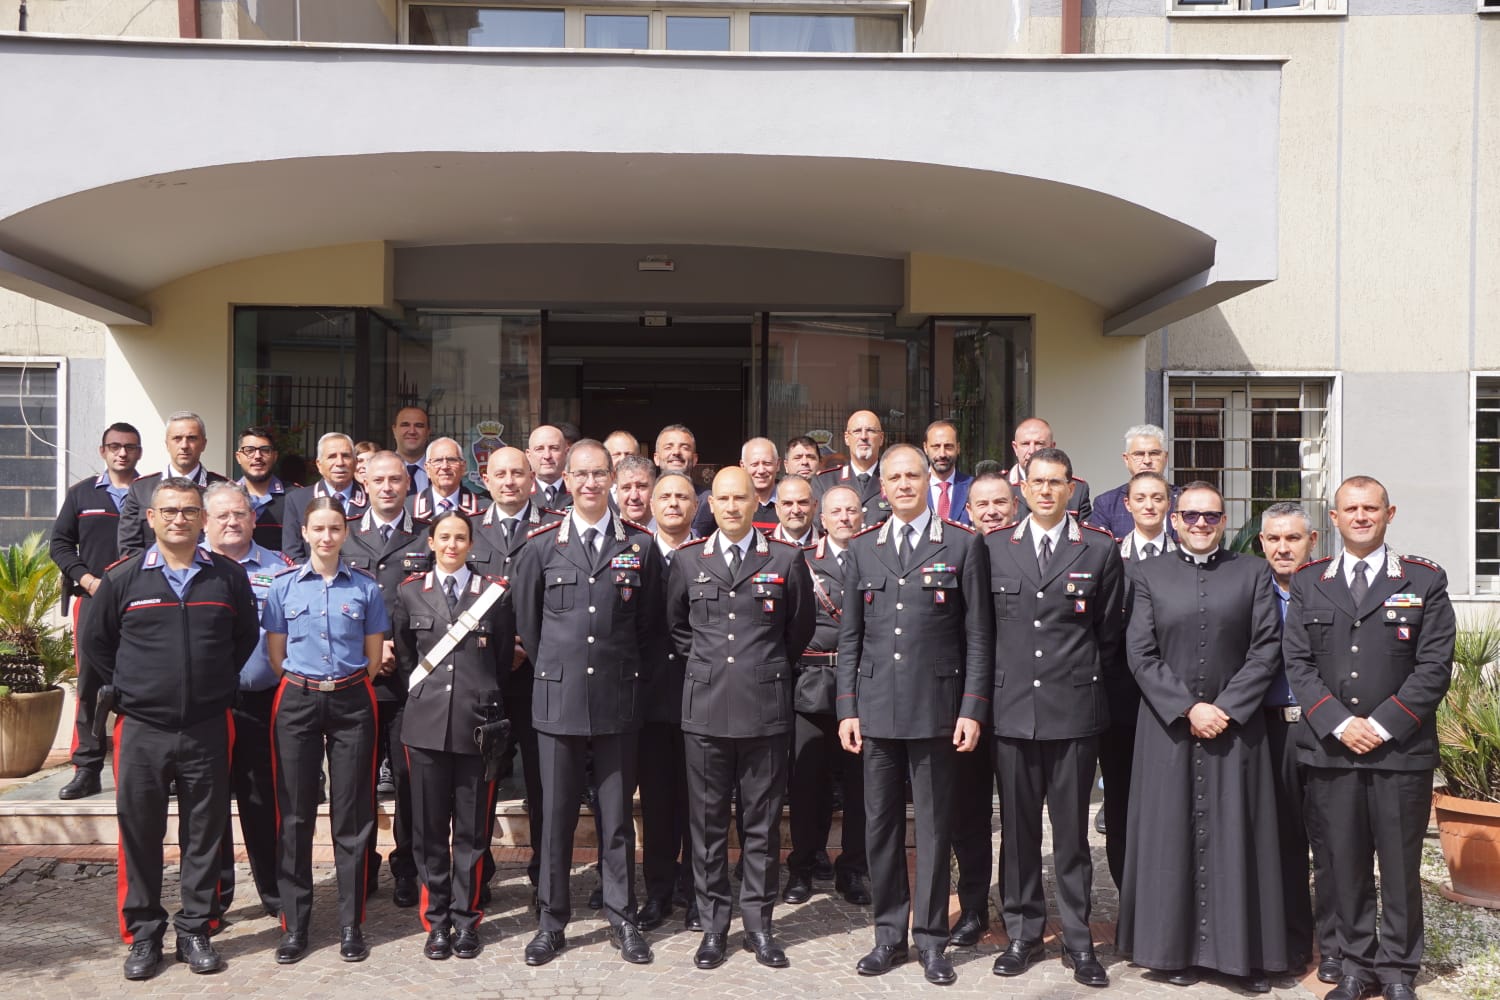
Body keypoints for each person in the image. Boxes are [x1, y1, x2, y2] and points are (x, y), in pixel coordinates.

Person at [1284, 477, 1456, 1000]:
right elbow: (1298, 661)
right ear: (1332, 519)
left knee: (1401, 866)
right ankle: (1357, 966)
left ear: (1389, 513)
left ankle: (1399, 970)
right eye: (1350, 509)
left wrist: (1381, 725)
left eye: (1370, 508)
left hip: (1400, 752)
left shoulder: (1423, 580)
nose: (1360, 516)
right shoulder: (1309, 581)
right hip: (1332, 750)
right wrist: (1340, 722)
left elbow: (1433, 666)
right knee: (1344, 863)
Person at [85, 477, 259, 980]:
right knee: (140, 832)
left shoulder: (226, 577)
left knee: (203, 833)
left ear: (202, 519)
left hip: (205, 725)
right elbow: (97, 644)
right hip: (142, 728)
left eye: (188, 510)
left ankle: (195, 928)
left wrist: (214, 681)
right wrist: (133, 687)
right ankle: (143, 934)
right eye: (169, 511)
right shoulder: (123, 579)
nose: (178, 518)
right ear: (151, 518)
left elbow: (244, 635)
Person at [1117, 481, 1286, 993]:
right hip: (1168, 729)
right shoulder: (1146, 574)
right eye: (1190, 516)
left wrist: (1226, 709)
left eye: (1210, 517)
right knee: (1169, 838)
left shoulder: (1253, 572)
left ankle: (1240, 958)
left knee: (1240, 837)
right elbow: (1140, 653)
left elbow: (1266, 649)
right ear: (1174, 519)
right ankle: (1170, 952)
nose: (1200, 525)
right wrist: (1189, 707)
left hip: (1236, 730)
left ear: (1225, 521)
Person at [836, 444, 993, 986]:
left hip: (936, 709)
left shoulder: (961, 545)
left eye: (912, 476)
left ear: (929, 481)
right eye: (894, 477)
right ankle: (888, 936)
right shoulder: (862, 548)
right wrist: (846, 709)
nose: (903, 485)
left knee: (932, 828)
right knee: (880, 829)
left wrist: (972, 708)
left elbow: (978, 636)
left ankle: (931, 940)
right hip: (876, 710)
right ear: (881, 486)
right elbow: (850, 637)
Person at [512, 439, 665, 967]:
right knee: (554, 817)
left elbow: (649, 627)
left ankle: (623, 919)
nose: (591, 483)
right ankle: (552, 921)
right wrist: (559, 670)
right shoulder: (539, 546)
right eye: (581, 474)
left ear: (614, 479)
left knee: (617, 819)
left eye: (601, 474)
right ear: (566, 480)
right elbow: (530, 629)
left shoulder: (640, 547)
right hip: (559, 701)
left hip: (618, 701)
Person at [984, 447, 1122, 987]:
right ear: (1022, 487)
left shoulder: (1098, 549)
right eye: (1037, 482)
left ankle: (1078, 939)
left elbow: (1107, 634)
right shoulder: (994, 547)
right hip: (1012, 709)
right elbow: (984, 633)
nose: (1045, 491)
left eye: (1055, 483)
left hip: (1073, 711)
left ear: (1071, 489)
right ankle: (1021, 932)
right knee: (1018, 834)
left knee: (1070, 836)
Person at [667, 466, 814, 971]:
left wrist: (759, 670)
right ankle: (713, 926)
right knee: (707, 826)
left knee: (762, 825)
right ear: (712, 505)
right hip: (705, 711)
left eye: (740, 498)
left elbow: (798, 631)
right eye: (723, 499)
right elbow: (677, 628)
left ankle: (759, 925)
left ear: (758, 502)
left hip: (764, 709)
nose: (731, 506)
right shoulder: (689, 561)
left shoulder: (785, 559)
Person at [262, 496, 390, 965]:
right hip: (297, 697)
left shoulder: (366, 589)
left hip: (353, 699)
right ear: (307, 533)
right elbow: (276, 655)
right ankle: (295, 926)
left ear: (345, 532)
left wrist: (346, 685)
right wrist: (306, 683)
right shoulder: (283, 587)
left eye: (335, 528)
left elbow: (375, 658)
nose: (327, 537)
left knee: (352, 814)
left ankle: (350, 924)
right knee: (294, 814)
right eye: (319, 528)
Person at [392, 509, 512, 961]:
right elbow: (406, 659)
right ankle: (436, 921)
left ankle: (467, 919)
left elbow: (499, 661)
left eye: (460, 537)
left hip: (477, 727)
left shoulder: (494, 594)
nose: (451, 545)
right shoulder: (409, 594)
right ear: (431, 542)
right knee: (427, 831)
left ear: (470, 544)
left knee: (472, 832)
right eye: (444, 537)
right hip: (425, 728)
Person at [340, 452, 427, 908]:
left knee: (411, 782)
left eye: (396, 479)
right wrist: (371, 650)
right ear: (364, 483)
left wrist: (398, 650)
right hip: (358, 679)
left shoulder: (427, 538)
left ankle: (407, 865)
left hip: (411, 681)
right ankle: (362, 866)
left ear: (409, 485)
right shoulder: (346, 534)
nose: (388, 487)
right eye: (379, 480)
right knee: (358, 782)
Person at [203, 482, 294, 920]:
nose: (232, 521)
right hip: (206, 707)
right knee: (209, 805)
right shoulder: (189, 567)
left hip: (262, 703)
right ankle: (214, 900)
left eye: (239, 513)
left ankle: (277, 896)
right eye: (221, 515)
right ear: (206, 521)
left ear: (254, 518)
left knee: (263, 802)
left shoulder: (281, 570)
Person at [1258, 501, 1339, 982]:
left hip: (1324, 728)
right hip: (1269, 729)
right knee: (1282, 841)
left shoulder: (1333, 589)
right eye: (1274, 539)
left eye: (1293, 538)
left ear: (1313, 541)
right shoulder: (1248, 589)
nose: (1283, 547)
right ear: (1262, 542)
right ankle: (1290, 941)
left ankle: (1334, 946)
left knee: (1330, 842)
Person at [783, 484, 868, 908]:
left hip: (864, 687)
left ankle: (853, 869)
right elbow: (793, 621)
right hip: (813, 685)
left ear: (862, 514)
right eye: (836, 511)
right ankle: (802, 866)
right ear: (823, 516)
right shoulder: (803, 562)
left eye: (851, 510)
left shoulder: (874, 556)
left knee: (859, 786)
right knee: (806, 785)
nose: (844, 518)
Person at [51, 421, 141, 800]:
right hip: (92, 602)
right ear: (103, 451)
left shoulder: (150, 492)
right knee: (90, 686)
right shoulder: (81, 494)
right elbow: (60, 544)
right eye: (115, 446)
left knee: (143, 682)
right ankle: (86, 768)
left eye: (130, 447)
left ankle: (140, 769)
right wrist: (86, 581)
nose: (122, 452)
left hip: (142, 605)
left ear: (139, 452)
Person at [946, 470, 1016, 948]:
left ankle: (1017, 906)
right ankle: (972, 908)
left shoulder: (1027, 552)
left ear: (1016, 506)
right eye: (982, 505)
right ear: (967, 511)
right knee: (967, 814)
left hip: (1017, 704)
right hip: (965, 704)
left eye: (1000, 503)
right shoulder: (953, 552)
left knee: (1019, 813)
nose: (991, 511)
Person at [1097, 469, 1177, 875]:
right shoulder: (1106, 554)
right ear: (1126, 505)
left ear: (1169, 504)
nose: (1149, 506)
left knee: (1170, 800)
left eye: (1157, 498)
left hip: (1172, 697)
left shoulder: (1184, 554)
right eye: (1141, 498)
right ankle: (1127, 892)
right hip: (1120, 698)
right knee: (1121, 798)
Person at [636, 471, 700, 933]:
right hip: (648, 698)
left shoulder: (710, 554)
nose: (674, 504)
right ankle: (657, 890)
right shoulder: (632, 554)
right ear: (651, 504)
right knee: (656, 803)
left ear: (696, 507)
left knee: (701, 804)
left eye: (683, 497)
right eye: (666, 496)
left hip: (704, 697)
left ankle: (698, 892)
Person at [117, 411, 228, 557]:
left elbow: (231, 542)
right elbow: (129, 547)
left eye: (192, 438)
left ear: (203, 444)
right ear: (167, 444)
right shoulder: (141, 489)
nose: (184, 445)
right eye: (177, 438)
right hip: (153, 576)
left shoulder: (224, 489)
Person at [281, 432, 369, 560]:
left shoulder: (371, 500)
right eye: (332, 456)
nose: (340, 462)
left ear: (355, 462)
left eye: (346, 456)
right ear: (319, 464)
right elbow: (292, 554)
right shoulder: (297, 500)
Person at [1090, 425, 1171, 540]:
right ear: (1126, 459)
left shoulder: (1183, 501)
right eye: (1139, 454)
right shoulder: (1106, 504)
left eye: (1154, 453)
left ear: (1165, 458)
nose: (1147, 461)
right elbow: (1100, 551)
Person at [1004, 418, 1091, 522]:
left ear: (1052, 447)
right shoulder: (1000, 487)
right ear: (1015, 448)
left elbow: (1085, 535)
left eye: (1039, 443)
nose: (1032, 451)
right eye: (1025, 444)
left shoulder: (1077, 490)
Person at [691, 437, 779, 538]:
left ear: (778, 464)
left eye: (767, 463)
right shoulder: (726, 508)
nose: (761, 470)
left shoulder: (790, 504)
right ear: (742, 465)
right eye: (754, 464)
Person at [813, 410, 889, 524]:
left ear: (881, 438)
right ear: (847, 438)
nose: (863, 436)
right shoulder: (825, 482)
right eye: (857, 431)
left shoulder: (892, 479)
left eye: (870, 431)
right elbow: (818, 525)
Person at [234, 426, 289, 552]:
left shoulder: (294, 497)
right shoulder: (226, 497)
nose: (257, 456)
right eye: (249, 450)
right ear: (238, 457)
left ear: (274, 456)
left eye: (265, 450)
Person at [412, 437, 487, 522]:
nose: (445, 466)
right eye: (438, 460)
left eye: (452, 460)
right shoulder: (409, 508)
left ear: (463, 467)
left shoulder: (485, 509)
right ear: (427, 469)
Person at [923, 419, 973, 526]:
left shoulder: (973, 487)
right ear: (925, 448)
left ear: (958, 448)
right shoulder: (914, 488)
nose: (942, 454)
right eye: (936, 446)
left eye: (948, 446)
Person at [527, 424, 571, 510]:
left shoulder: (580, 489)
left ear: (566, 453)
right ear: (529, 455)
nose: (547, 456)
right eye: (539, 449)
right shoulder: (520, 492)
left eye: (554, 448)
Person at [392, 406, 432, 497]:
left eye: (419, 426)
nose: (412, 431)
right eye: (405, 425)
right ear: (394, 430)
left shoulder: (439, 471)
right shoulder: (381, 469)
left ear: (428, 432)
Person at [770, 474, 820, 547]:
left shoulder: (829, 546)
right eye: (788, 503)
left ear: (814, 506)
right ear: (777, 509)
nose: (796, 511)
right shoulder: (762, 546)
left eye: (802, 502)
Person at [613, 454, 657, 528]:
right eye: (626, 488)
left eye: (641, 486)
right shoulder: (604, 534)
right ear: (617, 492)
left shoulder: (672, 535)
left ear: (655, 489)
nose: (634, 497)